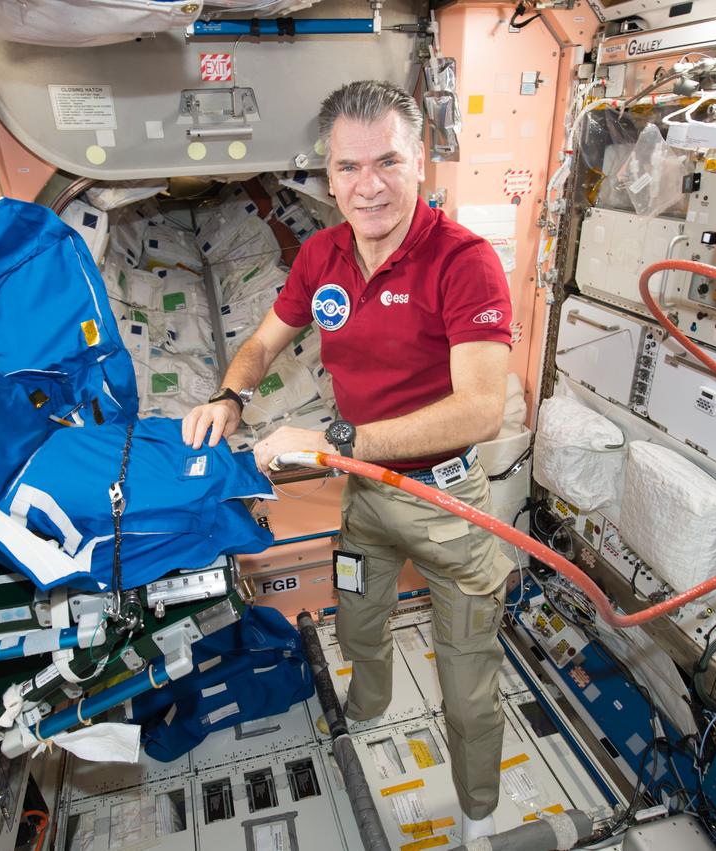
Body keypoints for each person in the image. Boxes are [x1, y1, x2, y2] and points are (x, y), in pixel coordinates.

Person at [182, 79, 515, 840]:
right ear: (325, 174)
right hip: (361, 496)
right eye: (347, 167)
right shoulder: (323, 253)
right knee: (358, 618)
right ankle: (364, 719)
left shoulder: (463, 263)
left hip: (443, 502)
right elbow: (265, 342)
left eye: (388, 162)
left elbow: (479, 409)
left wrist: (334, 444)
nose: (368, 186)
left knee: (467, 690)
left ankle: (480, 817)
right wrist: (230, 397)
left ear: (420, 161)